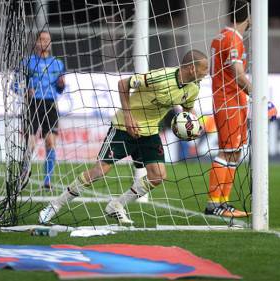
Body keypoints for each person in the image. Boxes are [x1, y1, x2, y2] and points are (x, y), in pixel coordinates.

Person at [38, 50, 209, 224]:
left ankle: (117, 205)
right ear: (191, 68)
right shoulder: (160, 76)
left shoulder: (194, 87)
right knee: (99, 171)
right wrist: (128, 116)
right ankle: (53, 206)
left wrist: (194, 125)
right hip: (123, 127)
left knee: (157, 176)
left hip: (149, 132)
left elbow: (188, 109)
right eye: (205, 68)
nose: (207, 72)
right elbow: (122, 84)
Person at [206, 0, 252, 218]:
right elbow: (237, 72)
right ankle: (214, 204)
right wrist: (259, 96)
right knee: (228, 152)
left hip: (229, 100)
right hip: (229, 101)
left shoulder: (220, 36)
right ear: (249, 16)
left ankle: (222, 203)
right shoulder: (233, 38)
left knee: (235, 153)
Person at [23, 31, 66, 191]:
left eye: (47, 39)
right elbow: (16, 84)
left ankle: (47, 181)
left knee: (50, 142)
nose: (45, 42)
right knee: (31, 143)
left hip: (50, 105)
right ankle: (24, 173)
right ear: (36, 42)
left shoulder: (58, 63)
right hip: (33, 104)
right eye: (42, 39)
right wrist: (26, 90)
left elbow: (61, 89)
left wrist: (62, 85)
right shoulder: (27, 62)